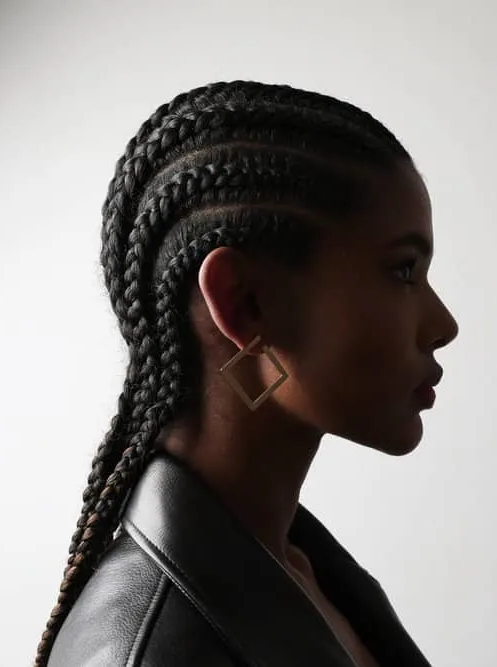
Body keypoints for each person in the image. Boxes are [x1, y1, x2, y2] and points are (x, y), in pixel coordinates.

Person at [33, 80, 459, 667]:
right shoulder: (143, 652)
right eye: (403, 271)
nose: (444, 324)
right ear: (242, 302)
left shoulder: (305, 570)